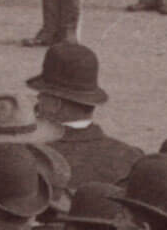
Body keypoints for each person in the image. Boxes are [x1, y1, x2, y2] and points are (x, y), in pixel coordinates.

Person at [29, 42, 142, 188]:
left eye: (41, 97)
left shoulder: (32, 159)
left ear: (55, 105)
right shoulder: (130, 157)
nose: (36, 103)